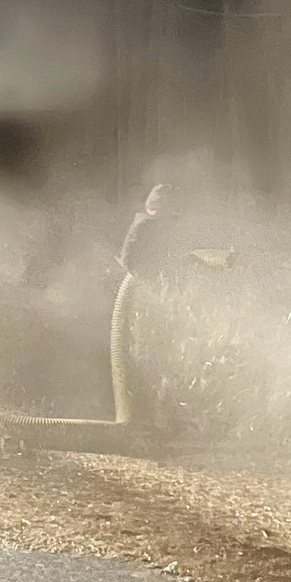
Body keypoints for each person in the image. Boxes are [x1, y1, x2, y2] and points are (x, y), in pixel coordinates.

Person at [111, 183, 174, 426]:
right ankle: (140, 416)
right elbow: (129, 261)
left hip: (151, 298)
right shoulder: (145, 226)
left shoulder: (158, 226)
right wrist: (148, 276)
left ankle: (153, 416)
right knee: (139, 358)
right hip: (138, 299)